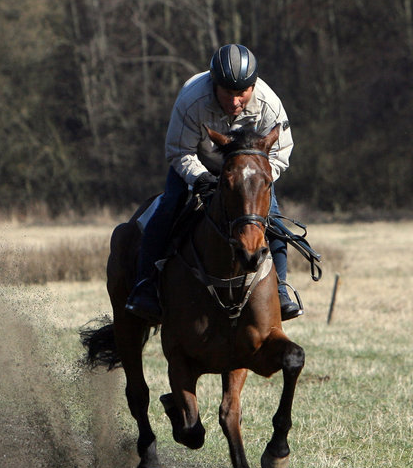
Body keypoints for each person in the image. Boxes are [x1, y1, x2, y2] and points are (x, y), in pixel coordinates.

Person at [125, 43, 301, 322]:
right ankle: (145, 285)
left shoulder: (270, 105)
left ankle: (281, 291)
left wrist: (256, 179)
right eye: (227, 93)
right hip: (198, 167)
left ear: (253, 86)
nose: (234, 102)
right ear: (213, 84)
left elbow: (281, 154)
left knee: (275, 219)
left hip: (250, 176)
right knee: (169, 206)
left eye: (242, 94)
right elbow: (179, 151)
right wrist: (202, 179)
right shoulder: (192, 99)